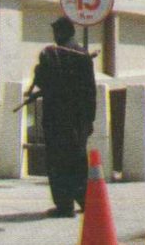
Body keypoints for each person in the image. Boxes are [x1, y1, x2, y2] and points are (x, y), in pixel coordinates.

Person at [28, 16, 96, 218]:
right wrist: (89, 120)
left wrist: (39, 71)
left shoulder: (50, 55)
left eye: (56, 33)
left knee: (58, 163)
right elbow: (90, 92)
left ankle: (64, 206)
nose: (55, 36)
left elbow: (41, 81)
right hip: (78, 121)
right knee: (78, 161)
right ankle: (85, 201)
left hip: (56, 119)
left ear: (61, 33)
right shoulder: (82, 54)